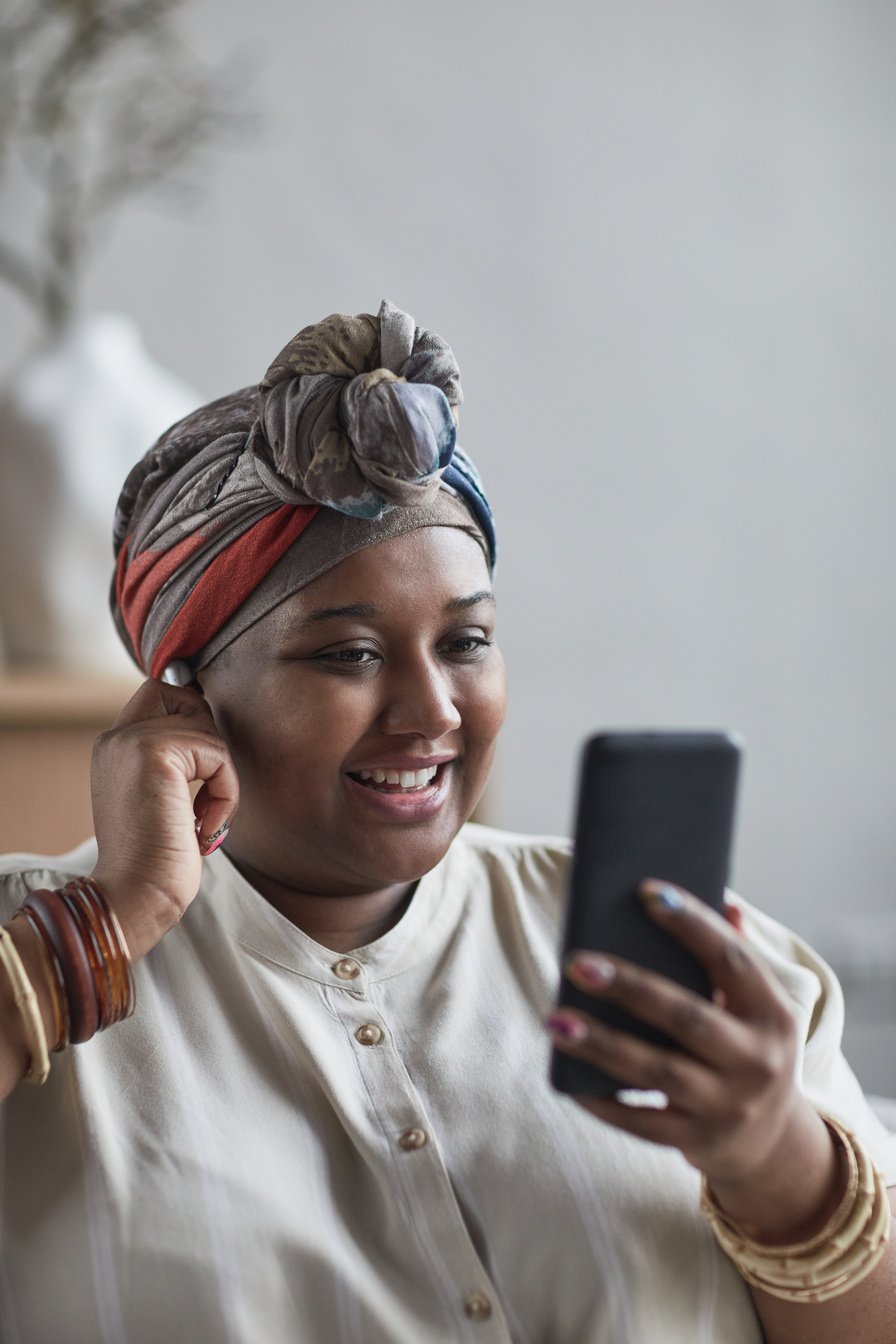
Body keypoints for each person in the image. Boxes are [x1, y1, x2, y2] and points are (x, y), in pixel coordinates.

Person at [0, 301, 893, 1344]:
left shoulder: (698, 961)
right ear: (181, 695)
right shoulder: (30, 955)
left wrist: (777, 1163)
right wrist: (117, 918)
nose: (433, 713)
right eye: (348, 654)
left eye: (464, 641)